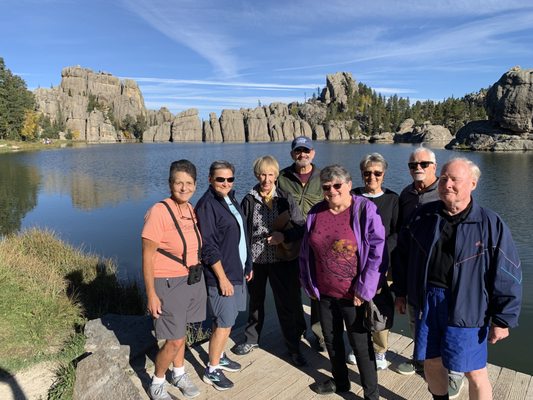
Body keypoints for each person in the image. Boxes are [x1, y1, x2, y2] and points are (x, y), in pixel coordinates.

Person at [393, 157, 522, 400]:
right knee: (431, 362)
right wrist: (400, 292)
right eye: (443, 179)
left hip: (468, 305)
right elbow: (402, 256)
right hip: (427, 302)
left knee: (475, 371)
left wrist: (503, 319)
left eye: (454, 179)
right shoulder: (423, 216)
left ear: (473, 183)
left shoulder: (490, 223)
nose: (447, 184)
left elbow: (508, 273)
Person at [300, 164, 386, 398]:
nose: (332, 191)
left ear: (349, 185)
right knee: (331, 339)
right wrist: (308, 283)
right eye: (327, 187)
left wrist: (365, 288)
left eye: (338, 185)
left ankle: (371, 394)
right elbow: (305, 252)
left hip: (353, 295)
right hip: (324, 292)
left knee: (360, 345)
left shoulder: (364, 210)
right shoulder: (316, 213)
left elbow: (377, 251)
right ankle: (341, 382)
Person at [396, 147, 465, 399]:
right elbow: (401, 242)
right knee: (416, 323)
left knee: (450, 331)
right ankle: (420, 360)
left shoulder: (444, 193)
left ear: (435, 167)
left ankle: (454, 375)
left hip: (443, 281)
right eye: (413, 165)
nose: (418, 168)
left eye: (424, 164)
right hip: (416, 278)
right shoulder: (406, 195)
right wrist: (400, 287)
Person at [232, 155, 307, 366]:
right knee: (256, 302)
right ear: (257, 174)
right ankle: (252, 339)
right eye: (263, 174)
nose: (266, 179)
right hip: (256, 261)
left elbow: (301, 226)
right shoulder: (249, 199)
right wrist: (245, 263)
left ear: (276, 175)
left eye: (271, 174)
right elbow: (242, 234)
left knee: (286, 304)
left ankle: (293, 346)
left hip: (282, 260)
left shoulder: (285, 197)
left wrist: (284, 237)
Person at [142, 160, 207, 400]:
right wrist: (151, 293)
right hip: (167, 282)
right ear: (170, 183)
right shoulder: (159, 211)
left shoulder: (190, 209)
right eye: (178, 182)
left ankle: (178, 373)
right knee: (175, 338)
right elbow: (147, 256)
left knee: (180, 333)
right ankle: (157, 382)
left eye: (189, 183)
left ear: (195, 185)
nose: (183, 187)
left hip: (191, 279)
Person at [195, 160, 253, 391]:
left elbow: (240, 235)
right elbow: (208, 247)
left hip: (236, 271)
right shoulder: (207, 205)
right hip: (223, 275)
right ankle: (212, 370)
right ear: (210, 179)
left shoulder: (230, 199)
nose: (225, 183)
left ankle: (218, 357)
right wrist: (222, 278)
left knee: (228, 321)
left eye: (230, 179)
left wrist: (248, 265)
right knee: (223, 322)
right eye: (220, 179)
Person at [350, 152, 399, 370]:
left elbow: (398, 232)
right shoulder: (352, 196)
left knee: (381, 306)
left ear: (384, 174)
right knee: (356, 303)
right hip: (355, 262)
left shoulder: (392, 199)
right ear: (361, 174)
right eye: (367, 173)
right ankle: (359, 345)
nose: (372, 177)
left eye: (377, 173)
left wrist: (380, 253)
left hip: (382, 264)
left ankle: (380, 350)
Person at [277, 135, 325, 351]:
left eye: (306, 151)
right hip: (291, 243)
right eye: (298, 151)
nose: (302, 155)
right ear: (292, 154)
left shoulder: (323, 177)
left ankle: (318, 334)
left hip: (317, 244)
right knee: (292, 290)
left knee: (317, 290)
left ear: (312, 153)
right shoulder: (282, 178)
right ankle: (296, 332)